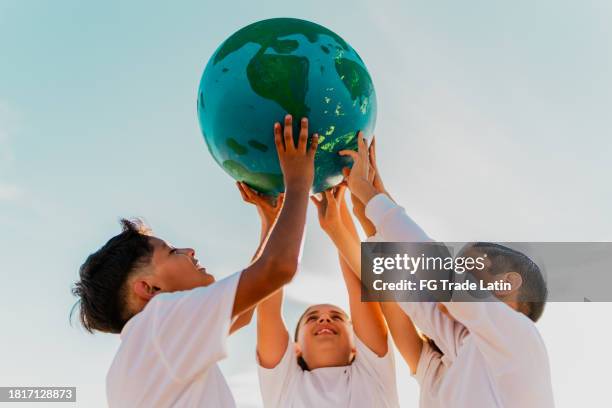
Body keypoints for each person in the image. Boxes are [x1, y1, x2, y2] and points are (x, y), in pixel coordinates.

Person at [71, 115, 318, 408]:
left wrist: (270, 222)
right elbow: (279, 268)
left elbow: (245, 310)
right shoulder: (159, 326)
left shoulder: (143, 353)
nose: (189, 251)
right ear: (149, 289)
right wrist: (300, 181)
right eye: (172, 251)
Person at [325, 132, 555, 408]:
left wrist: (371, 197)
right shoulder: (455, 356)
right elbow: (407, 290)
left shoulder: (520, 339)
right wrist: (370, 202)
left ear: (507, 282)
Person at [246, 181, 399, 407]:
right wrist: (270, 222)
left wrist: (339, 208)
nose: (325, 319)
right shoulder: (284, 383)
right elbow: (267, 309)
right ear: (296, 348)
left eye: (337, 317)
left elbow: (357, 285)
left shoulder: (373, 372)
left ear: (355, 342)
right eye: (312, 318)